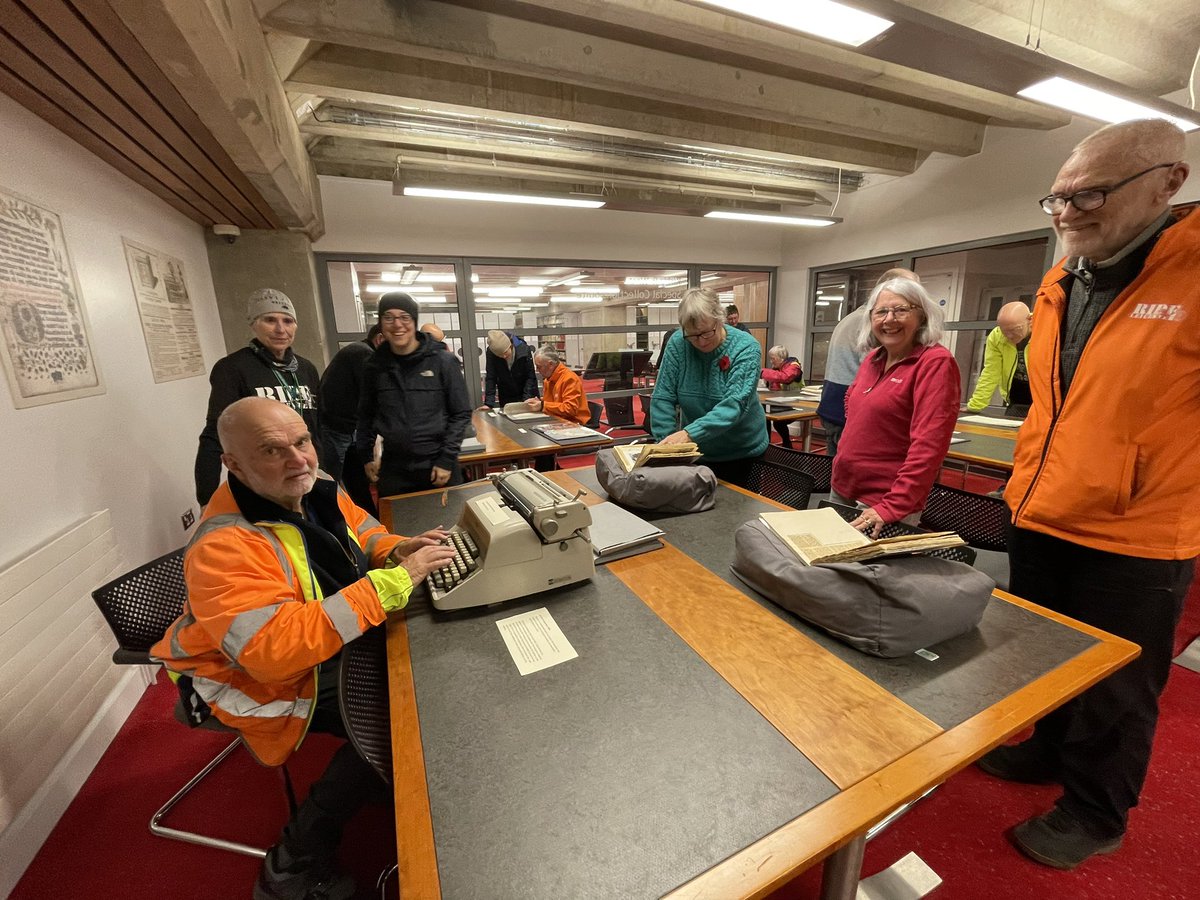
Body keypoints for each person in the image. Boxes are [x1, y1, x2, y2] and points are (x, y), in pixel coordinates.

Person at [977, 119, 1197, 871]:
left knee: (1118, 687)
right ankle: (1045, 748)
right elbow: (1051, 401)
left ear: (1170, 181)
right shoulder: (1060, 280)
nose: (1069, 212)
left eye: (1092, 193)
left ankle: (1097, 810)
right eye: (1059, 197)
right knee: (1044, 656)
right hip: (1041, 510)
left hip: (1136, 533)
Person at [153, 397, 457, 900]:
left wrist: (393, 548)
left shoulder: (313, 487)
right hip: (249, 681)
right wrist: (392, 584)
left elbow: (360, 531)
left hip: (313, 646)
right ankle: (295, 860)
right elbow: (275, 652)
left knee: (419, 673)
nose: (298, 460)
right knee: (402, 710)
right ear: (233, 465)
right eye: (273, 451)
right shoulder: (223, 546)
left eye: (301, 441)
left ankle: (398, 778)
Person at [830, 277, 960, 536]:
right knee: (825, 568)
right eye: (881, 312)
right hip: (843, 488)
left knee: (863, 574)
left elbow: (929, 447)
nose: (889, 319)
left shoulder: (935, 363)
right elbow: (855, 412)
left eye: (901, 310)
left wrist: (893, 506)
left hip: (883, 500)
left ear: (922, 316)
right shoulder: (872, 359)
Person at [194, 288, 324, 506]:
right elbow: (214, 433)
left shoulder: (305, 368)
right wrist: (206, 499)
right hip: (265, 481)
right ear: (254, 324)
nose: (280, 329)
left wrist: (325, 473)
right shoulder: (232, 368)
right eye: (270, 320)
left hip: (305, 473)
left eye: (288, 321)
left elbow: (316, 427)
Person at [356, 292, 473, 497]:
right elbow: (366, 415)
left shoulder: (442, 361)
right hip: (394, 468)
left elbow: (461, 414)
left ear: (414, 322)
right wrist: (366, 456)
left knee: (449, 526)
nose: (397, 324)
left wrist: (446, 459)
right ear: (381, 324)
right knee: (396, 527)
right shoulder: (374, 366)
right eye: (389, 317)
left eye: (404, 317)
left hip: (438, 465)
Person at [650, 287, 767, 487]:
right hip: (696, 452)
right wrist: (668, 447)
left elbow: (733, 407)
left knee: (736, 513)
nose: (700, 341)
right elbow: (663, 397)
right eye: (692, 335)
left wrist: (688, 434)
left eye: (706, 333)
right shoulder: (678, 342)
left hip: (741, 453)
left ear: (719, 319)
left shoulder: (746, 347)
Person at [816, 268, 920, 456]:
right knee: (848, 471)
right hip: (850, 414)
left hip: (833, 406)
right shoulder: (875, 324)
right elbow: (876, 374)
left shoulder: (852, 318)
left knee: (834, 469)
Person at [318, 324, 384, 513]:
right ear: (380, 339)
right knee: (332, 484)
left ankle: (368, 522)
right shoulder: (363, 353)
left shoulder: (359, 352)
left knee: (357, 481)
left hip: (349, 428)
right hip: (335, 429)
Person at [964, 301, 1033, 414]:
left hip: (1043, 400)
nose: (1009, 335)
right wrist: (975, 405)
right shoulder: (996, 337)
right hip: (1016, 396)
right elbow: (990, 372)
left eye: (1014, 329)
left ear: (1030, 320)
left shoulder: (1046, 332)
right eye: (1004, 331)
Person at [526, 345, 590, 424]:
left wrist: (542, 405)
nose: (537, 370)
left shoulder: (570, 379)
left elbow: (570, 409)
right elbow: (552, 403)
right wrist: (539, 401)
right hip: (557, 420)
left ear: (551, 364)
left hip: (573, 423)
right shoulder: (548, 380)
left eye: (539, 367)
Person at [761, 345, 804, 448]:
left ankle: (786, 444)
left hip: (797, 404)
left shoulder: (794, 367)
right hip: (783, 401)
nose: (771, 361)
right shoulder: (779, 367)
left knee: (778, 422)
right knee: (764, 415)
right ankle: (767, 444)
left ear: (781, 357)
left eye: (773, 358)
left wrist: (762, 372)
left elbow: (785, 377)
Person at [482, 330, 538, 407]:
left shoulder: (524, 350)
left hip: (527, 393)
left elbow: (530, 377)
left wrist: (526, 399)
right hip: (506, 395)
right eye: (500, 355)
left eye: (505, 353)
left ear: (510, 346)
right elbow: (491, 378)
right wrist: (488, 404)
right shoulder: (491, 353)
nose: (504, 357)